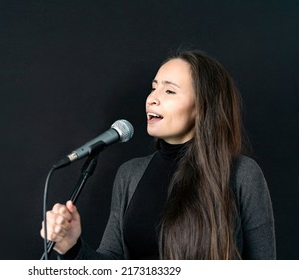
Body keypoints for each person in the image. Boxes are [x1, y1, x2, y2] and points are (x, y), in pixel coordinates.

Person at [40, 50, 276, 260]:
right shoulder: (130, 175)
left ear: (202, 107)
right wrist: (71, 247)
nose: (152, 98)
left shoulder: (242, 174)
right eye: (154, 87)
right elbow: (112, 263)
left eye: (170, 90)